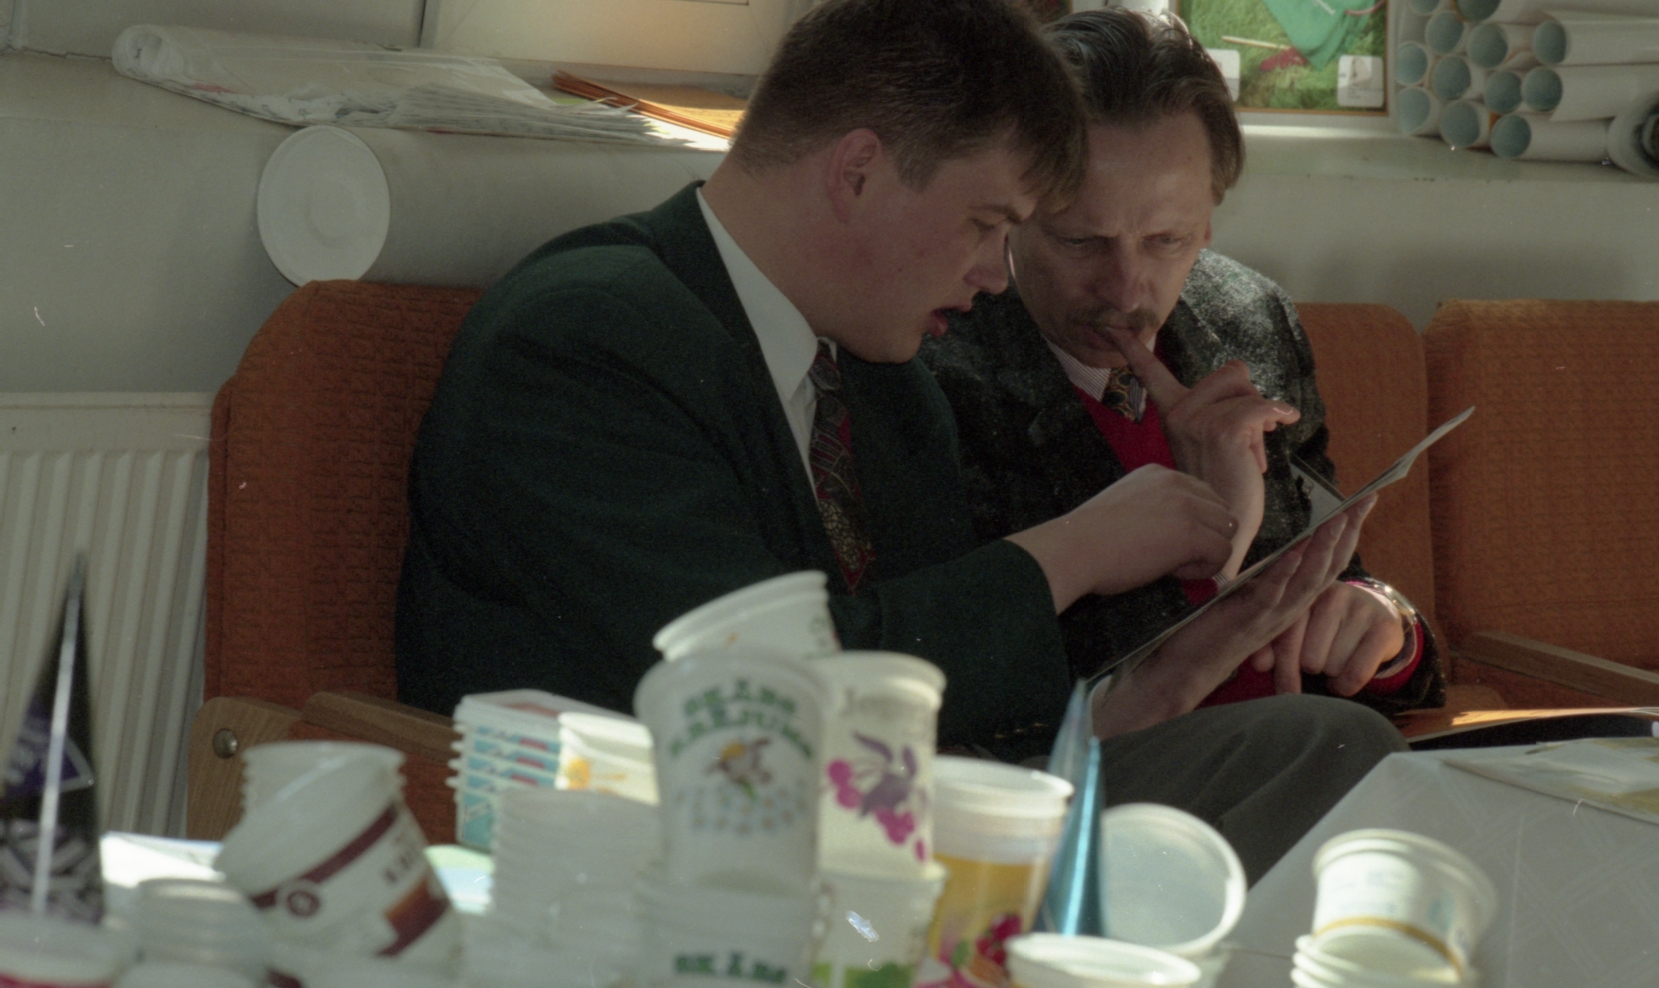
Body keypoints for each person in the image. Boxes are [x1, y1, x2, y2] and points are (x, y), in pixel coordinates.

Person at [396, 0, 1402, 882]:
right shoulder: (588, 337)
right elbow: (756, 700)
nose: (995, 275)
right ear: (859, 173)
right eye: (984, 223)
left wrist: (1181, 665)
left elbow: (952, 716)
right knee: (1322, 758)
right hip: (661, 854)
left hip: (889, 830)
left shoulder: (883, 379)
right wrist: (1076, 550)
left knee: (1321, 755)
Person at [920, 7, 1444, 717]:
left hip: (1299, 744)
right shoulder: (936, 368)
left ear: (1207, 225)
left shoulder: (1249, 317)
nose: (1125, 289)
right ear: (1011, 217)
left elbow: (1334, 578)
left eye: (1166, 240)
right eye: (1080, 241)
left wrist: (1383, 628)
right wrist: (1218, 552)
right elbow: (1008, 697)